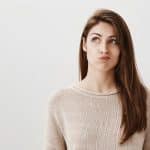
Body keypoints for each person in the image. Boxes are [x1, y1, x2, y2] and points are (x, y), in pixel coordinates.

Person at [43, 9, 150, 150]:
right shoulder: (60, 101)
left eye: (113, 41)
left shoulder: (143, 99)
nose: (104, 49)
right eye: (96, 39)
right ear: (84, 44)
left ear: (122, 48)